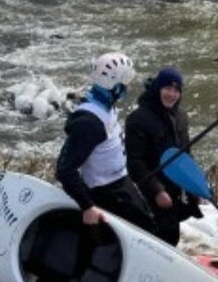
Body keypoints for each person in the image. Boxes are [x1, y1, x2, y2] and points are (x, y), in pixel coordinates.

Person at [56, 51, 155, 233]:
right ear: (114, 86)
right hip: (106, 194)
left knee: (148, 225)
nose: (129, 87)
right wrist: (87, 206)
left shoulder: (105, 106)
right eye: (125, 83)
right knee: (142, 232)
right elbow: (64, 170)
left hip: (121, 184)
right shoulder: (89, 123)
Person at [124, 66, 203, 247]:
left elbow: (186, 155)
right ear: (157, 88)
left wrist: (194, 187)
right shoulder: (138, 119)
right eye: (167, 88)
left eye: (176, 90)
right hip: (150, 188)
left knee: (172, 232)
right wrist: (156, 190)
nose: (172, 94)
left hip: (175, 187)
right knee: (164, 235)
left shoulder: (181, 117)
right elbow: (135, 163)